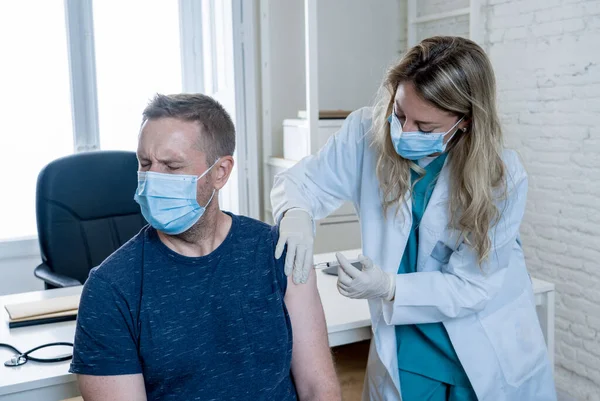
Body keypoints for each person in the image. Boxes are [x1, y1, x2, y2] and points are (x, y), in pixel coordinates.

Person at [272, 36, 556, 401]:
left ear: (465, 121)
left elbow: (472, 287)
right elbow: (302, 182)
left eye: (425, 127)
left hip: (484, 338)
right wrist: (295, 213)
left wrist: (390, 287)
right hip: (407, 340)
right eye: (400, 114)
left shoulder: (501, 177)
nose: (404, 133)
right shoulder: (366, 132)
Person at [70, 93, 341, 401]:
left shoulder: (277, 253)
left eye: (172, 166)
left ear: (220, 172)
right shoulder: (111, 289)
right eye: (145, 163)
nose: (151, 180)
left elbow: (318, 389)